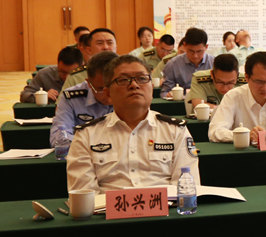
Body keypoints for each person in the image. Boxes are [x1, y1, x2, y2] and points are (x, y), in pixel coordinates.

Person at [66, 54, 199, 194]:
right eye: (123, 80)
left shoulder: (175, 131)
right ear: (108, 94)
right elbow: (83, 195)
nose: (134, 85)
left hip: (166, 207)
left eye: (142, 79)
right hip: (107, 207)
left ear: (151, 88)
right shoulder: (86, 135)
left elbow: (187, 188)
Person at [209, 52, 266, 145]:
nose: (265, 88)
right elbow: (215, 131)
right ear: (247, 77)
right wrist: (244, 135)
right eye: (259, 82)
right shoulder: (233, 97)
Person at [50, 51, 117, 150]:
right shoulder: (71, 98)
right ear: (89, 83)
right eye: (101, 89)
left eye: (112, 87)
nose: (108, 94)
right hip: (84, 155)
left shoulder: (132, 94)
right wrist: (97, 145)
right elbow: (58, 138)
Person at [161, 28, 214, 98]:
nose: (195, 56)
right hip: (180, 102)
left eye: (199, 51)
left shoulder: (214, 63)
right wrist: (169, 95)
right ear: (185, 45)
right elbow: (165, 92)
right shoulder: (172, 65)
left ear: (206, 47)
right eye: (191, 51)